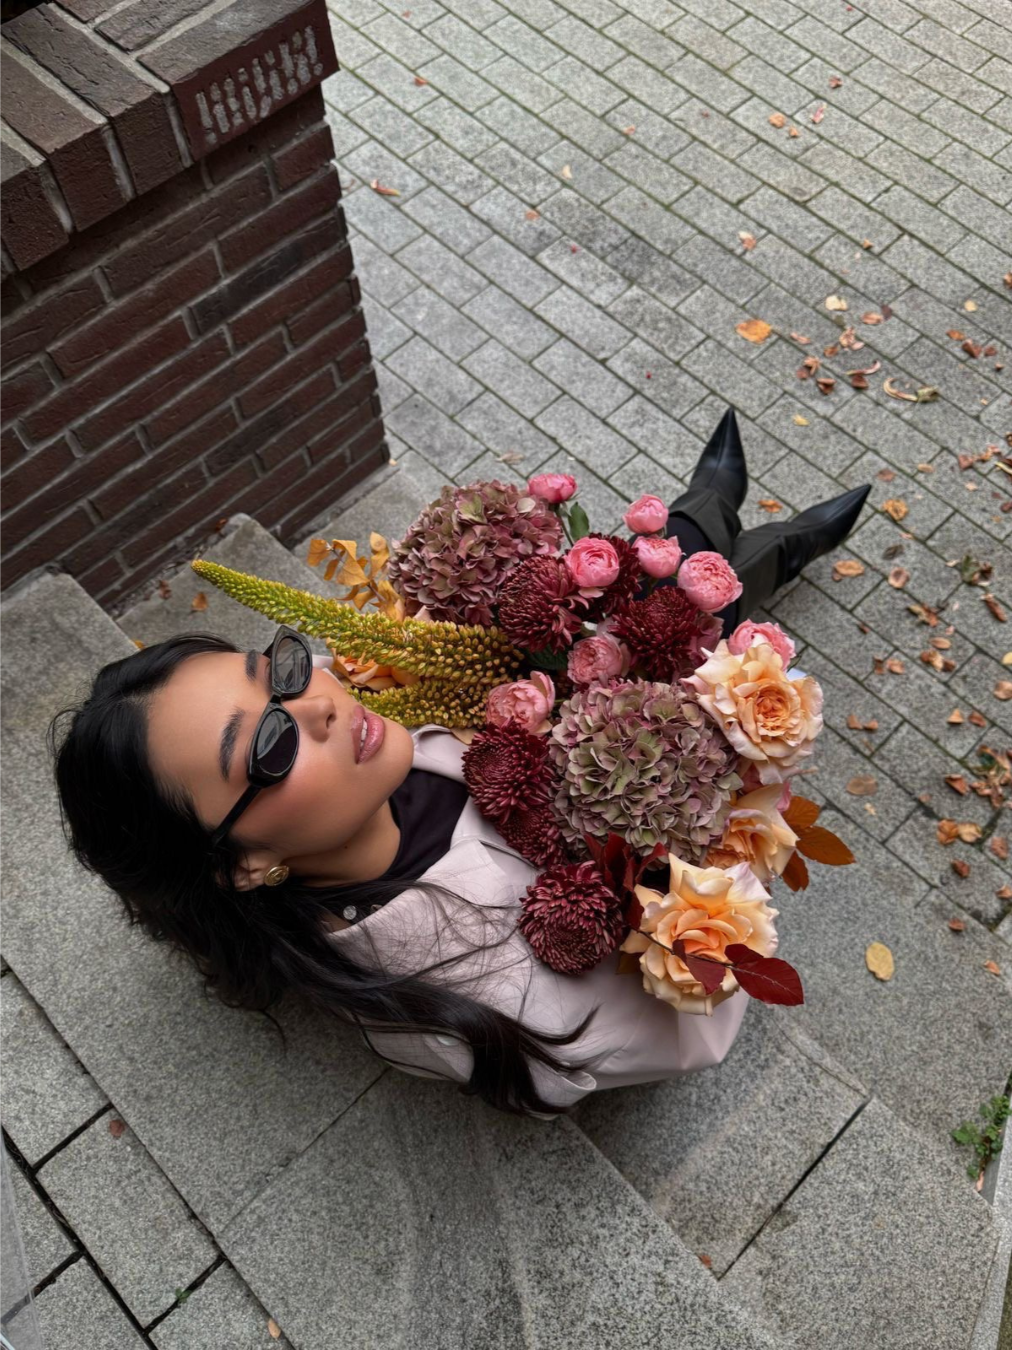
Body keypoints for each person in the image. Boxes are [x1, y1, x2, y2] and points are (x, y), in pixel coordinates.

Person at [49, 409, 869, 1121]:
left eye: (282, 673)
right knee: (706, 602)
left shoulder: (353, 768)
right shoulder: (499, 1004)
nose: (324, 701)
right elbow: (697, 1030)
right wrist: (708, 807)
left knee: (667, 579)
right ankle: (775, 542)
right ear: (245, 862)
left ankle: (714, 511)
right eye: (269, 745)